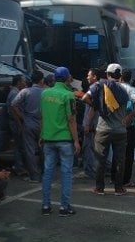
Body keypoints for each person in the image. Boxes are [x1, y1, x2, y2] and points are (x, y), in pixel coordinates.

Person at [82, 63, 131, 196]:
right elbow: (130, 107)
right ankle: (119, 188)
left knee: (100, 159)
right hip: (120, 130)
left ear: (107, 74)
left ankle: (99, 188)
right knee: (120, 160)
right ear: (120, 75)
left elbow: (84, 98)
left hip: (103, 130)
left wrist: (96, 105)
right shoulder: (125, 89)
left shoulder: (99, 86)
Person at [40, 66, 81, 216]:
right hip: (64, 140)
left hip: (48, 139)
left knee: (48, 172)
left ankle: (45, 206)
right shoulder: (68, 95)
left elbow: (43, 117)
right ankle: (64, 207)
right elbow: (72, 120)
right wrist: (76, 141)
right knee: (66, 173)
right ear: (66, 78)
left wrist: (41, 135)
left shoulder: (44, 94)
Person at [112, 68, 135, 187]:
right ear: (130, 78)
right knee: (128, 154)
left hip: (114, 125)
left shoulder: (113, 88)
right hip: (129, 127)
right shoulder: (131, 90)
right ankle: (126, 180)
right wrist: (131, 117)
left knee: (117, 152)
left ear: (120, 77)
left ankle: (113, 177)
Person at [11, 70, 45, 182]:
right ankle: (45, 174)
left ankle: (34, 176)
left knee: (30, 151)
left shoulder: (25, 91)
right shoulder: (46, 92)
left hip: (29, 123)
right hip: (43, 124)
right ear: (41, 80)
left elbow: (14, 105)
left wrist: (22, 117)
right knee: (44, 149)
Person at [79, 68, 101, 179]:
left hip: (91, 124)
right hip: (95, 123)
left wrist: (87, 124)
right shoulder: (100, 87)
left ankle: (89, 171)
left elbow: (88, 102)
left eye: (89, 75)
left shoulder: (94, 87)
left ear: (95, 76)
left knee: (88, 148)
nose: (87, 77)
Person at [7, 75, 28, 177]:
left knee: (20, 146)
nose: (25, 83)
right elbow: (13, 109)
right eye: (23, 81)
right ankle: (19, 168)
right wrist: (21, 121)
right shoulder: (14, 93)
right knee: (19, 146)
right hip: (16, 123)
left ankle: (20, 166)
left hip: (16, 122)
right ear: (19, 82)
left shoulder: (15, 92)